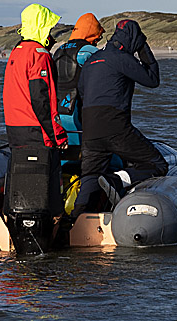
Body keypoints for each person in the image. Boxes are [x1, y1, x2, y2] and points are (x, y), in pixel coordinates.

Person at [70, 19, 168, 218]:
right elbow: (152, 80)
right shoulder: (121, 58)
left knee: (90, 176)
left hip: (90, 128)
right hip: (114, 126)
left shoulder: (92, 60)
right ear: (133, 39)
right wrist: (143, 47)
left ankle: (74, 220)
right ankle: (116, 181)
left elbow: (80, 93)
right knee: (158, 165)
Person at [3, 3, 68, 150]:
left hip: (14, 128)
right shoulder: (38, 55)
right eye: (49, 29)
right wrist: (58, 136)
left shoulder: (17, 51)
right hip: (35, 130)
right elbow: (42, 99)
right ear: (42, 28)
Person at [52, 13, 105, 155]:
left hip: (59, 109)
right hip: (80, 108)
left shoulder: (58, 50)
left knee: (67, 149)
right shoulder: (89, 51)